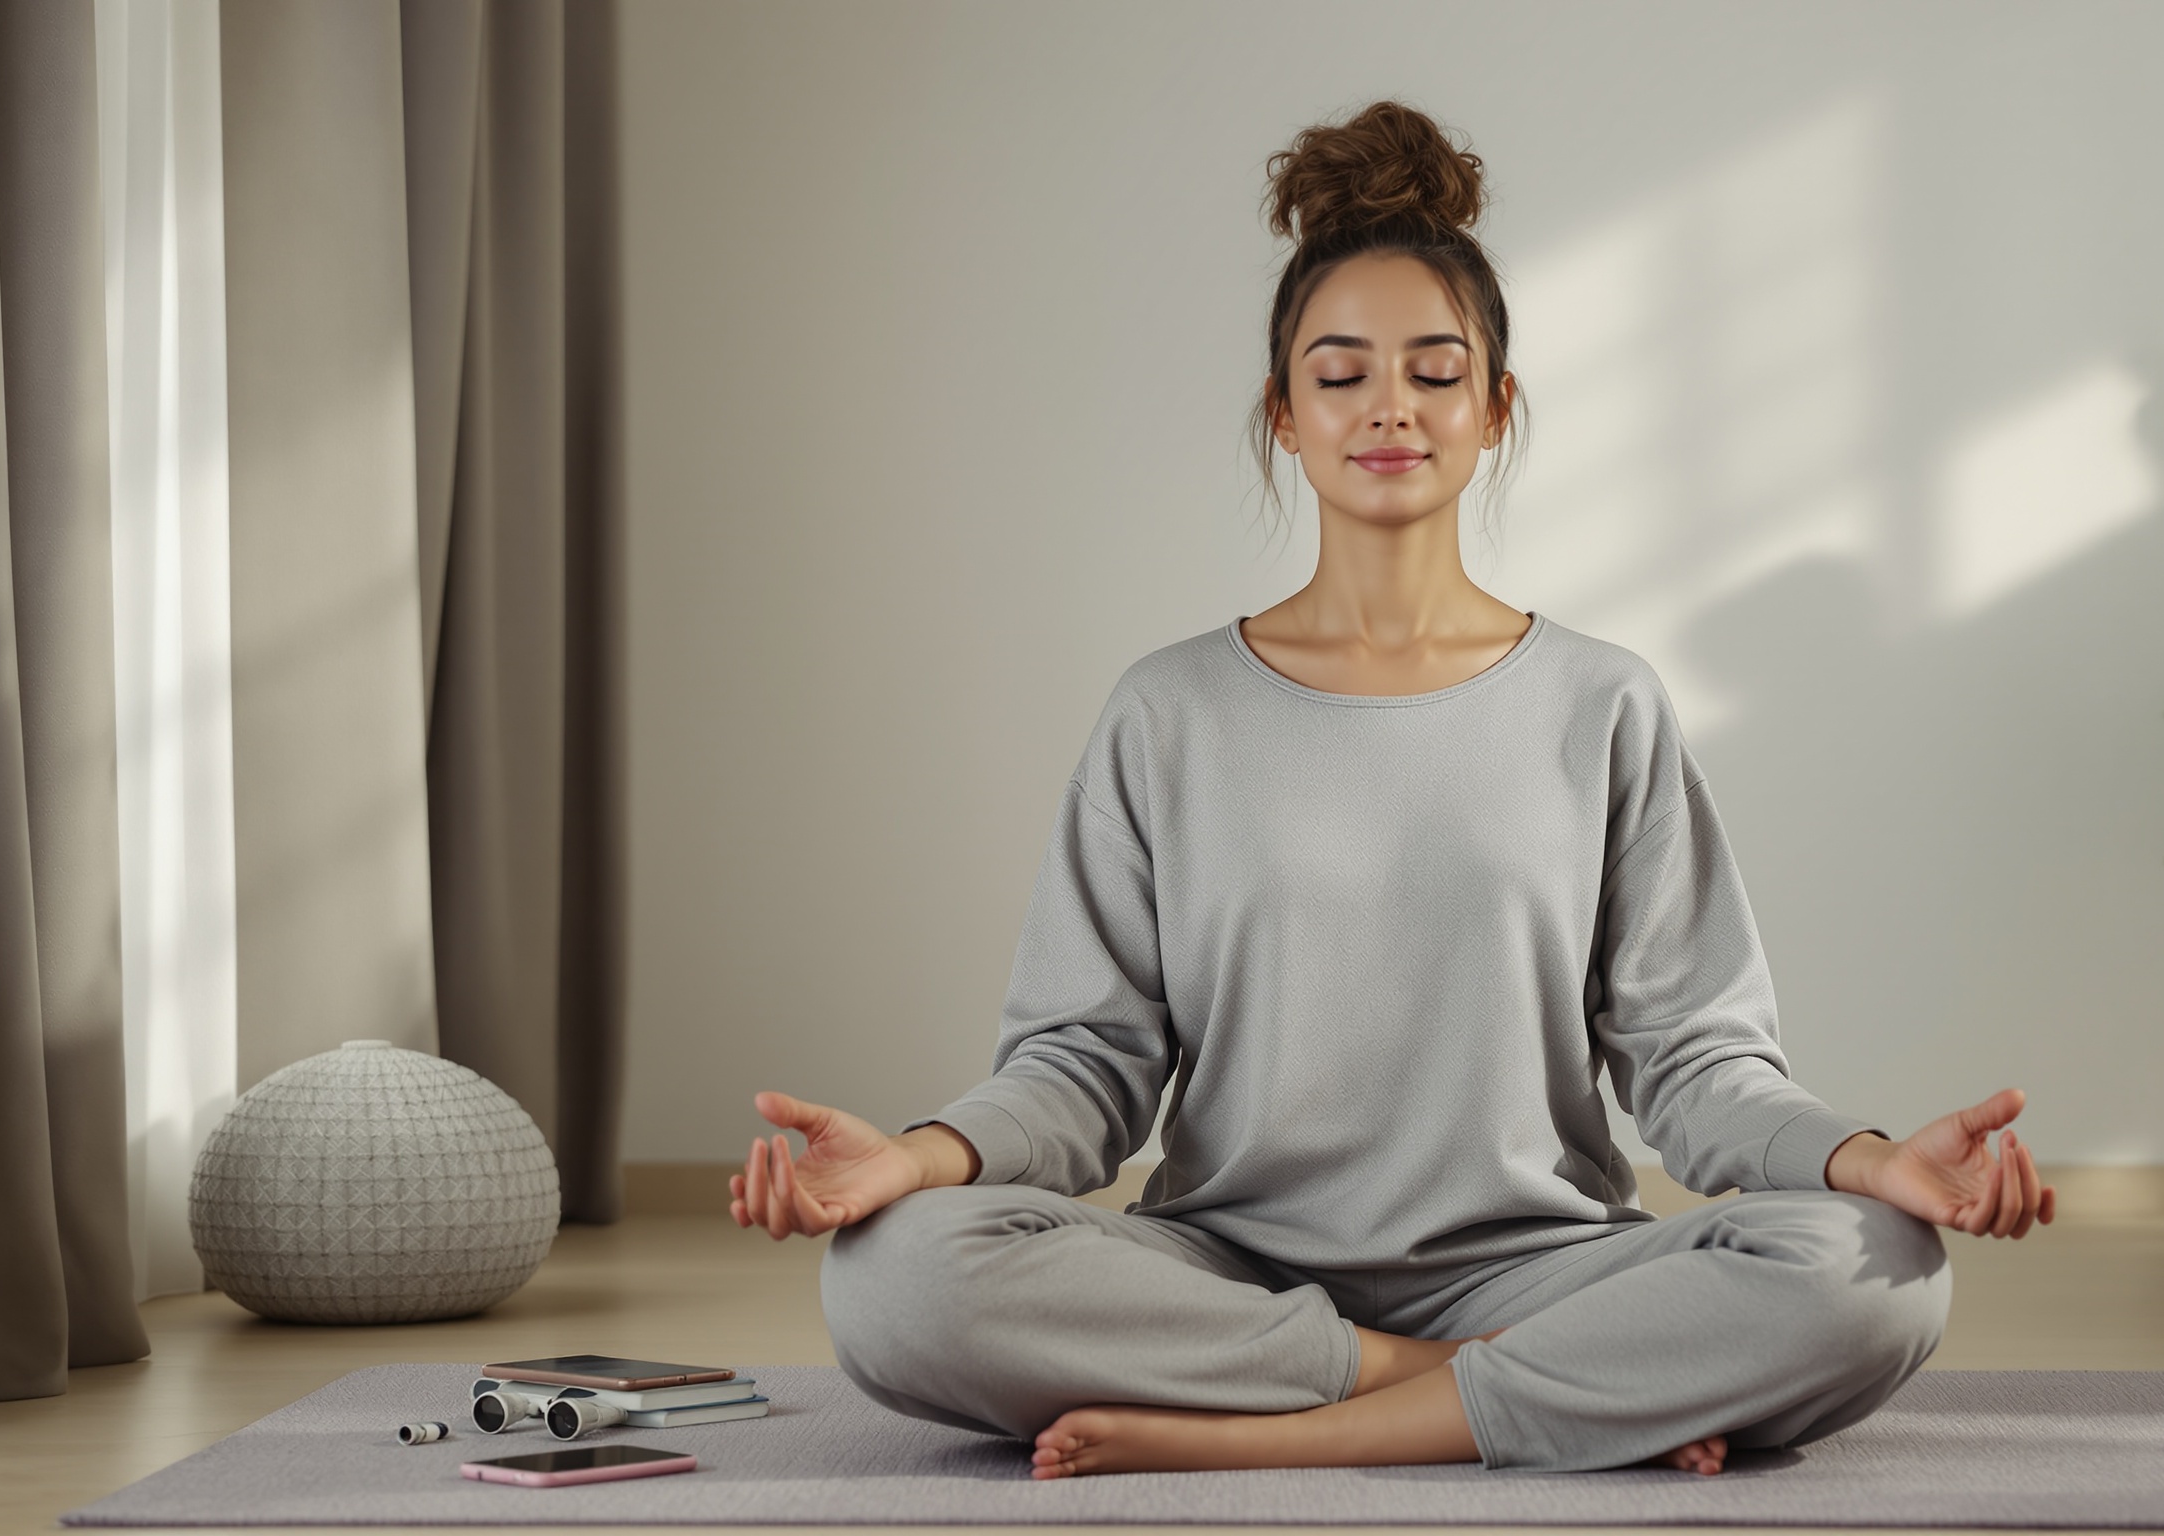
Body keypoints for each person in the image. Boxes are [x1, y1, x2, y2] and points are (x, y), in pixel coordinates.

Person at [732, 99, 2055, 1481]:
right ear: (1284, 414)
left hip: (1538, 1269)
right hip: (1226, 1274)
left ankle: (1281, 1431)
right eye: (1341, 374)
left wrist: (1872, 1161)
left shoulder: (1603, 703)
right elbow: (1084, 1066)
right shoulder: (1169, 713)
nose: (1390, 408)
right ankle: (1496, 1393)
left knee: (1876, 1267)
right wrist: (917, 1160)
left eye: (1435, 372)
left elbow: (1694, 1062)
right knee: (896, 1276)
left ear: (1495, 411)